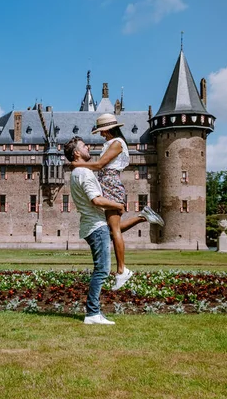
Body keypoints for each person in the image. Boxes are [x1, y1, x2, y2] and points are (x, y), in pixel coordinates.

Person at [64, 136, 159, 324]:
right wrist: (117, 205)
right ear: (76, 153)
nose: (88, 147)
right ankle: (92, 314)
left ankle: (143, 217)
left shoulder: (78, 173)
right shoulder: (83, 173)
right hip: (95, 226)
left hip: (93, 224)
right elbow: (96, 200)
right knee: (102, 270)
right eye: (84, 146)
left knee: (115, 233)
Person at [71, 113, 164, 290]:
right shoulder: (111, 143)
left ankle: (122, 271)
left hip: (111, 183)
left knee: (113, 231)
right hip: (107, 182)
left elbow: (100, 165)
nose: (101, 135)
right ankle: (142, 216)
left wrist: (78, 165)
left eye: (102, 131)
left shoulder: (117, 143)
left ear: (108, 129)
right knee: (110, 230)